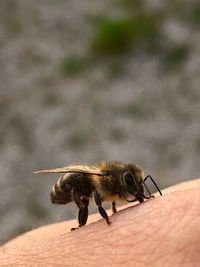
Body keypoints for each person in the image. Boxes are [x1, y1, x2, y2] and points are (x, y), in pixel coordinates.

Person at [1, 179, 200, 266]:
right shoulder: (104, 180)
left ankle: (83, 223)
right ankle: (82, 222)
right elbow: (100, 192)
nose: (136, 188)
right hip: (70, 185)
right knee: (88, 196)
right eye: (132, 183)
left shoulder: (112, 185)